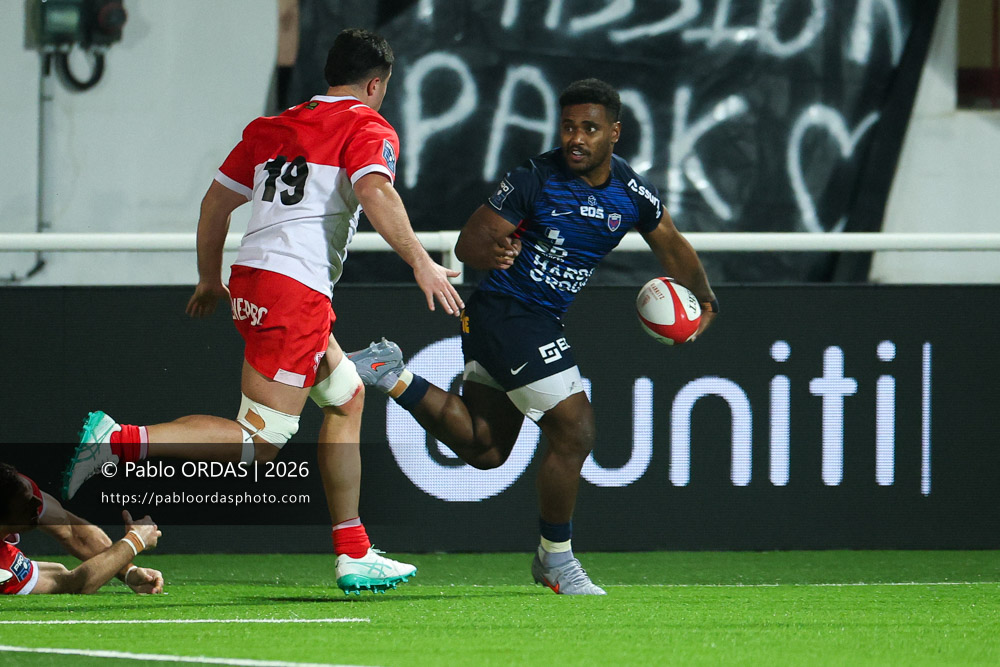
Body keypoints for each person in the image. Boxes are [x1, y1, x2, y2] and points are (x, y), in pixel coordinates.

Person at [62, 28, 463, 594]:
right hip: (294, 291)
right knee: (258, 441)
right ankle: (121, 439)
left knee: (347, 396)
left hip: (259, 281)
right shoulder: (367, 125)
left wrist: (209, 279)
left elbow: (214, 205)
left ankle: (354, 550)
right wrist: (421, 261)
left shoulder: (271, 128)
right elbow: (375, 192)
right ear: (376, 84)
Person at [350, 78, 718, 595]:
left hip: (521, 321)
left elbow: (671, 244)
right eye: (568, 126)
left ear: (615, 133)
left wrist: (705, 297)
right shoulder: (534, 177)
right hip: (509, 313)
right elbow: (469, 240)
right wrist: (489, 252)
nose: (576, 138)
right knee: (576, 428)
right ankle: (555, 559)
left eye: (589, 128)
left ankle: (390, 373)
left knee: (486, 448)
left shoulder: (632, 192)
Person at [1, 462, 162, 595]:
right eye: (26, 503)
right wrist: (135, 540)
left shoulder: (16, 486)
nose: (37, 503)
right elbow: (72, 584)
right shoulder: (3, 565)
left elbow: (73, 532)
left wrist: (127, 571)